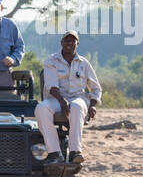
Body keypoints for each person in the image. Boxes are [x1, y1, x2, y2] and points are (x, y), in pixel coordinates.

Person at [34, 30, 101, 166]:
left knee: (76, 106)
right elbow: (51, 85)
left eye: (72, 41)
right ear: (61, 43)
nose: (69, 43)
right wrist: (61, 100)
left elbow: (96, 88)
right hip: (56, 98)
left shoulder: (84, 63)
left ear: (77, 43)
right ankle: (54, 152)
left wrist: (93, 105)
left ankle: (75, 152)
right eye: (66, 40)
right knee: (41, 108)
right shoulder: (51, 60)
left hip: (77, 98)